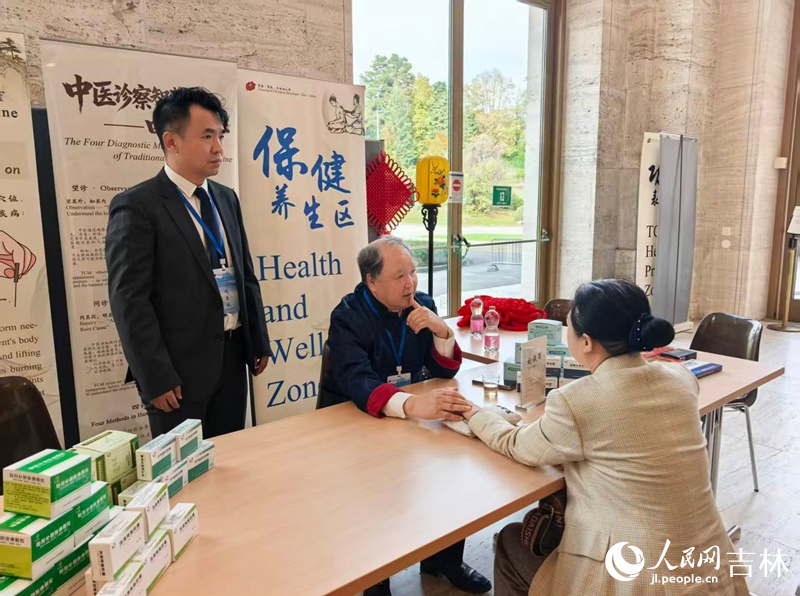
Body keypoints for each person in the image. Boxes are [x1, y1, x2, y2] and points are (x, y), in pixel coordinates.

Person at [462, 279, 748, 596]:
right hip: (707, 566)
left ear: (585, 342)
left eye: (567, 326)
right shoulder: (680, 378)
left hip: (631, 578)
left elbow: (517, 446)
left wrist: (474, 414)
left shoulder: (576, 401)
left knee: (511, 542)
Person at [320, 236, 491, 596]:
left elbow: (444, 369)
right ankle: (375, 579)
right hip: (356, 421)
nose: (411, 283)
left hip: (411, 420)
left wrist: (442, 330)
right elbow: (356, 379)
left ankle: (443, 560)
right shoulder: (348, 316)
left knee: (449, 470)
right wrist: (413, 406)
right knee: (375, 492)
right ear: (371, 280)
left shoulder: (421, 304)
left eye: (412, 272)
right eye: (399, 276)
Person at [106, 87, 271, 439]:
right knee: (185, 476)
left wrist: (258, 339)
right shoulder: (138, 206)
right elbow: (129, 300)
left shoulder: (226, 198)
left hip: (231, 358)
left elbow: (244, 274)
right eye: (207, 136)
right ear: (172, 141)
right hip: (176, 374)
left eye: (220, 136)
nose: (218, 148)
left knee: (230, 460)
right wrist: (154, 377)